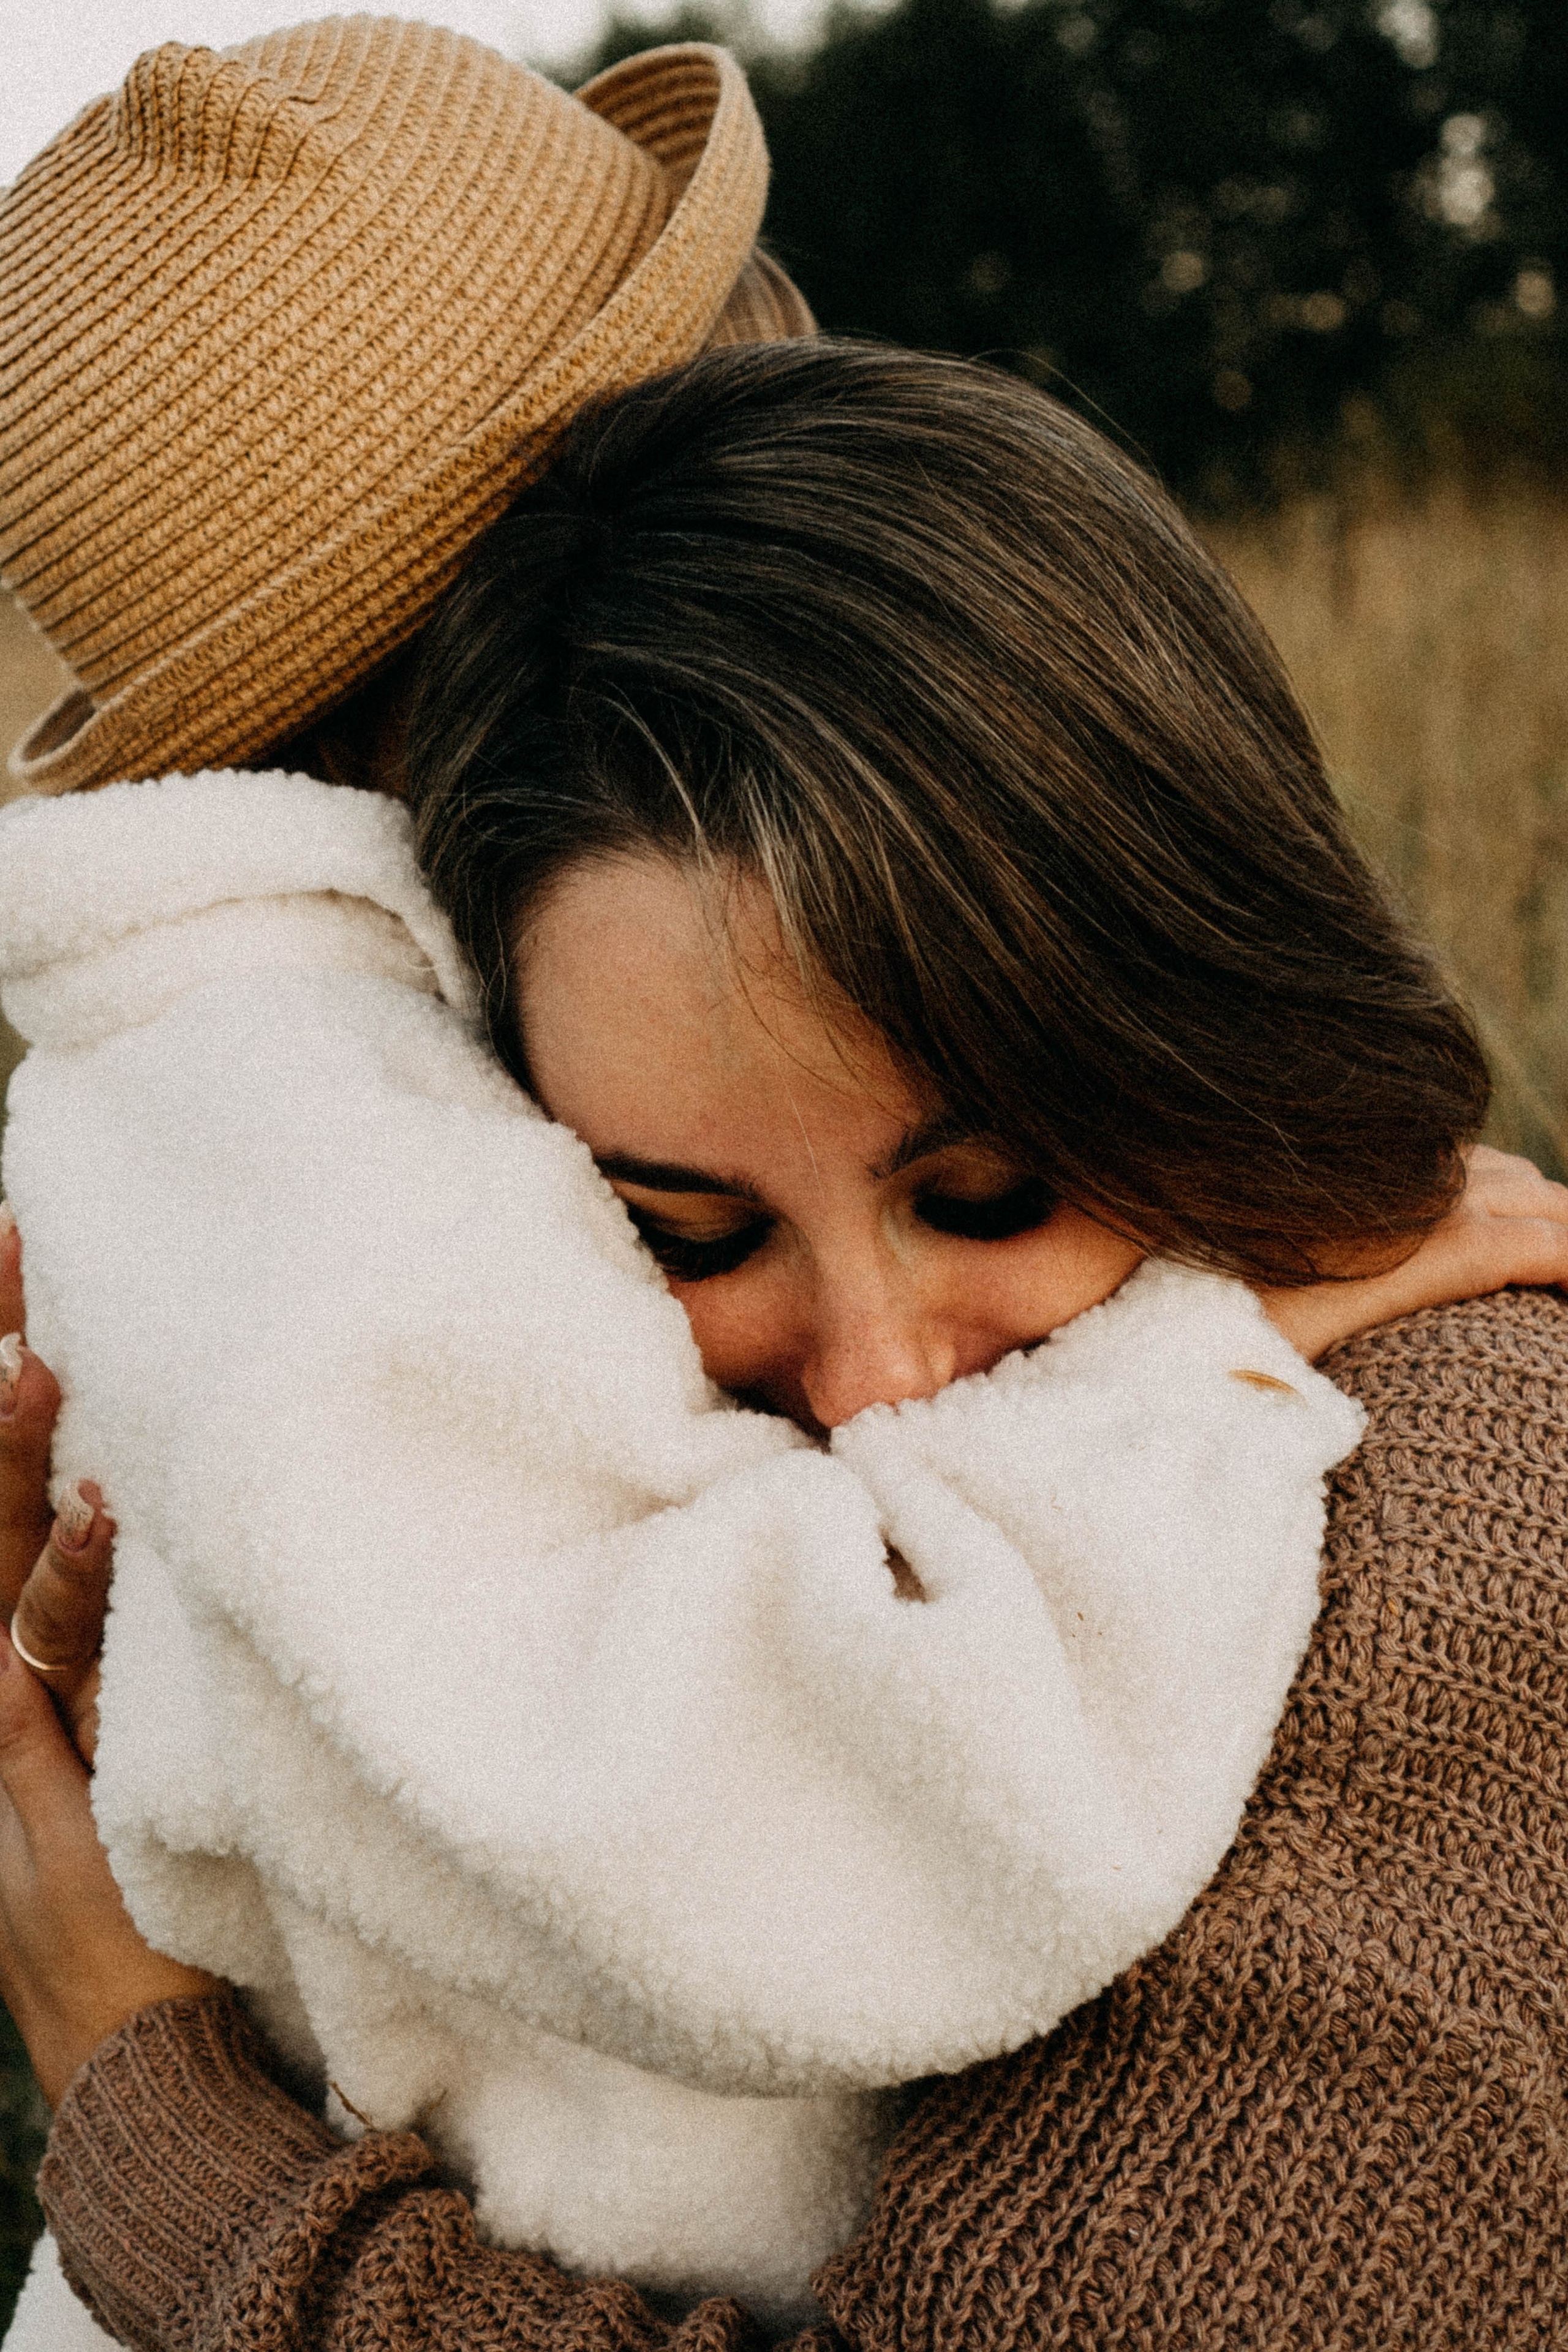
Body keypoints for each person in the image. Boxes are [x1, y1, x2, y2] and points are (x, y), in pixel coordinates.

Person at [6, 338, 1568, 2350]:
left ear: (1192, 1005)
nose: (878, 1378)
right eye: (690, 1230)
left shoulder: (1460, 1530)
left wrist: (174, 2152)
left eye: (988, 1191)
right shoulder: (589, 1452)